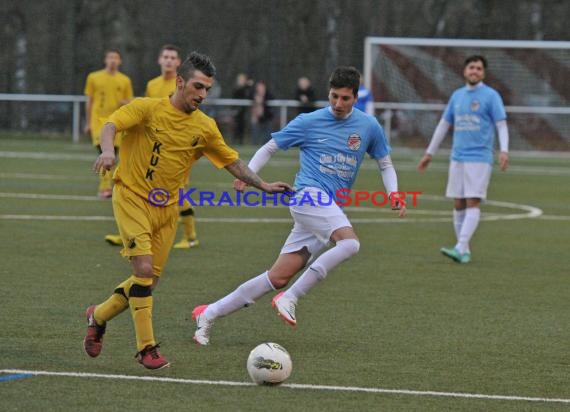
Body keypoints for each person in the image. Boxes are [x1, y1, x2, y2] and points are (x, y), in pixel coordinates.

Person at [84, 51, 291, 370]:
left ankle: (98, 316)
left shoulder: (204, 128)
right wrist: (109, 152)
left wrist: (262, 185)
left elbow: (232, 161)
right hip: (131, 198)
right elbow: (111, 125)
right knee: (142, 270)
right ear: (180, 82)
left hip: (167, 210)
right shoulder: (147, 108)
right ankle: (146, 348)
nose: (203, 94)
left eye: (207, 89)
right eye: (198, 86)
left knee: (147, 284)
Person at [192, 66, 406, 346]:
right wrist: (248, 175)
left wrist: (395, 193)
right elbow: (270, 146)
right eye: (333, 97)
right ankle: (291, 297)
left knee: (278, 276)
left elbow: (385, 164)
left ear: (355, 97)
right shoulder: (309, 121)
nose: (338, 104)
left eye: (345, 98)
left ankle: (208, 313)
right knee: (350, 244)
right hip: (307, 196)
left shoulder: (369, 126)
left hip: (328, 208)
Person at [417, 55, 509, 264]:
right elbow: (443, 125)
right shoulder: (457, 96)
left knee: (472, 201)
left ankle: (460, 246)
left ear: (483, 73)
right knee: (458, 203)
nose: (474, 71)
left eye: (478, 68)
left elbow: (501, 124)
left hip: (479, 157)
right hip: (457, 157)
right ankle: (463, 249)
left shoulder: (491, 96)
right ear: (465, 71)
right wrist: (429, 153)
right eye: (471, 67)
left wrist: (504, 150)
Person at [106, 44, 185, 247]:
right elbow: (148, 111)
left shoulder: (181, 85)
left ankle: (190, 236)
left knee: (178, 192)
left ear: (178, 62)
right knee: (137, 190)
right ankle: (129, 233)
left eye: (172, 57)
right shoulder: (152, 84)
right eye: (165, 56)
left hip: (174, 146)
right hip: (151, 144)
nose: (168, 60)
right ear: (159, 60)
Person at [84, 48, 133, 198]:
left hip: (116, 122)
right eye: (110, 57)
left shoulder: (125, 80)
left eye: (116, 58)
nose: (113, 60)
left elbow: (129, 102)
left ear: (120, 61)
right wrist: (87, 123)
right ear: (105, 60)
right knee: (103, 151)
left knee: (113, 154)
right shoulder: (93, 77)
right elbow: (89, 101)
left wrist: (124, 102)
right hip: (98, 121)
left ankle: (110, 186)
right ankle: (104, 187)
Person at [231, 73, 253, 145]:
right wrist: (246, 85)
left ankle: (241, 141)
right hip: (237, 110)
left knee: (242, 125)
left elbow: (249, 96)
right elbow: (237, 93)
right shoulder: (237, 88)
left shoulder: (246, 88)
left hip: (243, 111)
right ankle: (235, 140)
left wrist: (248, 86)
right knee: (236, 125)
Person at [250, 80, 274, 145]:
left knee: (267, 136)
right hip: (257, 118)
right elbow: (249, 96)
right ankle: (255, 144)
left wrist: (262, 101)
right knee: (255, 133)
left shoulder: (268, 95)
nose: (260, 89)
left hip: (267, 118)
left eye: (261, 87)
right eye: (258, 87)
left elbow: (270, 102)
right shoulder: (253, 94)